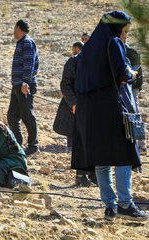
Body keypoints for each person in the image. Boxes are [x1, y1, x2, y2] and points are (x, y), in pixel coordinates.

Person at [72, 11, 149, 221]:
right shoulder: (113, 42)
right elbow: (121, 73)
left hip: (90, 112)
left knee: (101, 160)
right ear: (118, 27)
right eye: (125, 29)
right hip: (111, 108)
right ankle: (125, 204)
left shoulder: (88, 49)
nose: (125, 35)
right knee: (124, 155)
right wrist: (132, 74)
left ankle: (110, 207)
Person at [53, 41, 97, 187]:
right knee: (81, 142)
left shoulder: (96, 62)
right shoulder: (73, 62)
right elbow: (65, 84)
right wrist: (74, 103)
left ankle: (93, 174)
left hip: (92, 108)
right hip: (76, 109)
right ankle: (81, 175)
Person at [7, 19, 39, 156]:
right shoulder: (22, 43)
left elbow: (29, 63)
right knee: (12, 116)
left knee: (27, 115)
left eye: (14, 29)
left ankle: (33, 145)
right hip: (17, 85)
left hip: (24, 85)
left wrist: (25, 82)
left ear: (18, 28)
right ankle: (17, 145)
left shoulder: (26, 42)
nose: (13, 32)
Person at [121, 37, 147, 155]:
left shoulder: (131, 52)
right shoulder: (121, 52)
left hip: (132, 87)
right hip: (126, 87)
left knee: (134, 113)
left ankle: (141, 145)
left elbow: (137, 71)